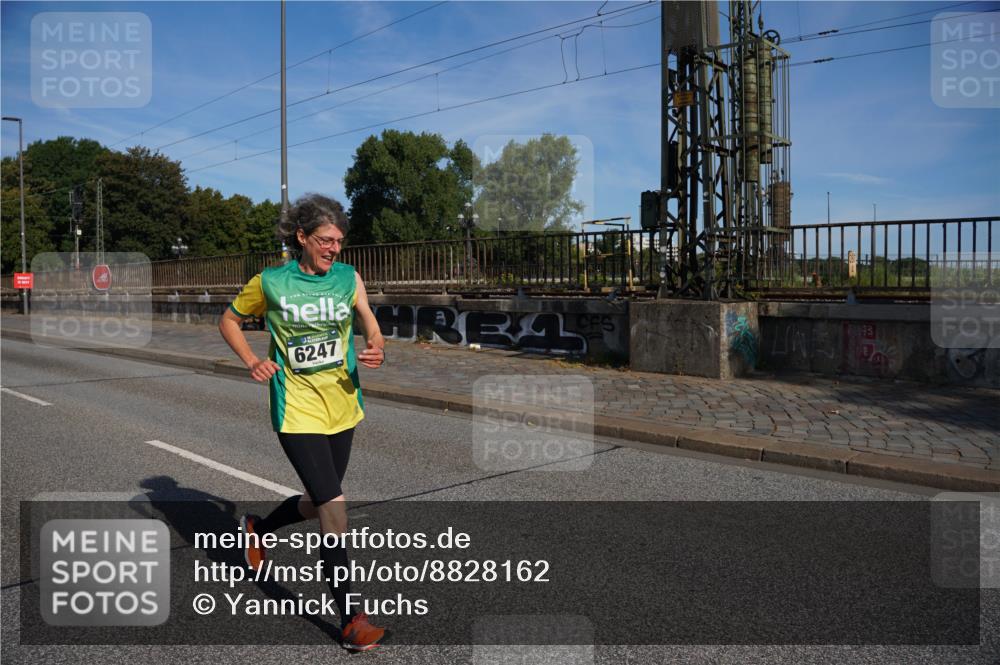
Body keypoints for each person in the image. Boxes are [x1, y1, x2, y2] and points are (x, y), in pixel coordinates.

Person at [218, 193, 386, 652]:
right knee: (333, 504)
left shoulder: (349, 277)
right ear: (302, 237)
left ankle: (257, 529)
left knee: (317, 500)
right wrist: (252, 360)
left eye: (339, 241)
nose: (334, 248)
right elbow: (229, 320)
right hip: (297, 407)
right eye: (326, 240)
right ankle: (351, 620)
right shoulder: (271, 282)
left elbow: (370, 323)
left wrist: (376, 345)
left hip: (344, 403)